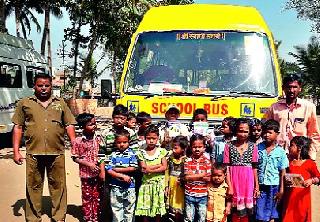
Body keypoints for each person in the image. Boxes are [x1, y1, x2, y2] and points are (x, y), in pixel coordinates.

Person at [12, 74, 76, 222]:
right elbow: (18, 127)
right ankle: (33, 218)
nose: (43, 88)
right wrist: (16, 152)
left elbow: (69, 124)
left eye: (46, 85)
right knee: (33, 186)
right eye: (40, 85)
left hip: (57, 152)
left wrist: (74, 144)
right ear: (34, 86)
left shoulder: (60, 103)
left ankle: (58, 217)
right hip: (33, 153)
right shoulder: (25, 103)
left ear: (51, 86)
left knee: (58, 187)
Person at [265, 74, 320, 160]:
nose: (291, 90)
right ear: (283, 88)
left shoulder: (309, 107)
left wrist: (311, 155)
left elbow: (314, 134)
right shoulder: (274, 108)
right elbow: (266, 130)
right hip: (277, 154)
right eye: (288, 87)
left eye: (295, 87)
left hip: (300, 156)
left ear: (300, 88)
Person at [223, 118, 259, 222]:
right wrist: (229, 185)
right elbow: (227, 167)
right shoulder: (228, 146)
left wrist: (256, 186)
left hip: (248, 181)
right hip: (234, 180)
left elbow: (254, 167)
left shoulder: (253, 146)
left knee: (246, 213)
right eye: (240, 131)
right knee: (233, 211)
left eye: (245, 131)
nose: (242, 134)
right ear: (235, 130)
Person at [71, 113, 104, 222]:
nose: (94, 126)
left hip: (98, 174)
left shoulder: (99, 138)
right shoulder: (78, 141)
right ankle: (87, 218)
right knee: (87, 197)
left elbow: (102, 154)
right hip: (85, 175)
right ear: (82, 126)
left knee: (97, 196)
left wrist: (101, 169)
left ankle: (96, 218)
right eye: (90, 124)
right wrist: (88, 164)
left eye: (94, 123)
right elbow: (75, 157)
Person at [256, 119, 289, 222]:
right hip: (260, 185)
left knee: (272, 213)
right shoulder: (257, 148)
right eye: (265, 132)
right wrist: (255, 186)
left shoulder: (281, 152)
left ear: (277, 133)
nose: (266, 135)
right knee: (259, 211)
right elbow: (255, 168)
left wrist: (281, 190)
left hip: (274, 186)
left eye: (270, 132)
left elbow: (282, 172)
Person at [282, 136, 320, 222]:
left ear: (299, 148)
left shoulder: (309, 163)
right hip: (289, 198)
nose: (289, 147)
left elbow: (318, 177)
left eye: (292, 145)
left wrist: (311, 180)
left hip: (302, 199)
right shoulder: (289, 161)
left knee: (301, 217)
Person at [135, 124, 168, 222]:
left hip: (159, 184)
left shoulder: (162, 151)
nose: (151, 140)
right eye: (149, 138)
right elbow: (144, 168)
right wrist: (157, 166)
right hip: (146, 185)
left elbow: (164, 167)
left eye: (154, 138)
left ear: (158, 138)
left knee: (157, 209)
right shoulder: (141, 153)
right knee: (146, 209)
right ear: (145, 138)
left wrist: (150, 170)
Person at [106, 129, 138, 222]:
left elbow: (133, 167)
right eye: (119, 142)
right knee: (116, 208)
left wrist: (118, 169)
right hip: (116, 186)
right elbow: (108, 169)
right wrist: (121, 176)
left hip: (130, 187)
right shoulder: (113, 155)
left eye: (125, 142)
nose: (122, 144)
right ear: (115, 143)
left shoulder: (132, 154)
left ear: (129, 142)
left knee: (129, 208)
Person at [184, 134, 212, 222]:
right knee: (189, 218)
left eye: (200, 147)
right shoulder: (187, 161)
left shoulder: (207, 162)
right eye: (194, 147)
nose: (197, 149)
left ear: (204, 148)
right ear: (191, 147)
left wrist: (192, 176)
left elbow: (208, 179)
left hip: (203, 195)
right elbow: (187, 177)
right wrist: (201, 175)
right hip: (189, 194)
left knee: (202, 218)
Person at [165, 136, 188, 222]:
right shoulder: (170, 159)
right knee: (171, 207)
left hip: (180, 186)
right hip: (172, 185)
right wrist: (166, 186)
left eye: (175, 148)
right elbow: (167, 173)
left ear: (183, 149)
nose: (173, 150)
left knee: (180, 206)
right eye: (172, 147)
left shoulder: (186, 160)